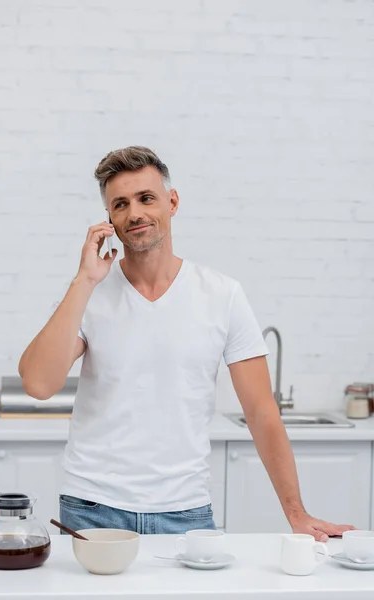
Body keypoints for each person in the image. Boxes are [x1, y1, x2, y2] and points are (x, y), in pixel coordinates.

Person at [19, 146, 355, 539]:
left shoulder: (222, 294)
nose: (135, 213)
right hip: (92, 508)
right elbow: (38, 384)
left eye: (146, 198)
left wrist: (297, 514)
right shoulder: (89, 293)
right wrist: (83, 280)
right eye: (120, 204)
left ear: (172, 202)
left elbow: (262, 413)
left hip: (185, 513)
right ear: (109, 218)